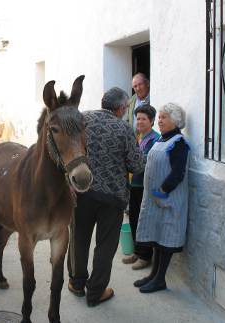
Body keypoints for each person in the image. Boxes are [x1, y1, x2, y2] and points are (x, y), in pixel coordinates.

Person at [67, 87, 145, 307]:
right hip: (112, 198)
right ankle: (96, 292)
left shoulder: (81, 120)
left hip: (82, 193)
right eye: (126, 108)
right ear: (121, 108)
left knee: (79, 239)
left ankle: (77, 282)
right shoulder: (124, 128)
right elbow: (136, 165)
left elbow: (64, 151)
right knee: (105, 246)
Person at [135, 103, 190, 293]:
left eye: (163, 117)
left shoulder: (179, 143)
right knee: (157, 237)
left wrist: (163, 190)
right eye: (159, 117)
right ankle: (153, 275)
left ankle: (160, 279)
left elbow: (178, 172)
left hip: (168, 200)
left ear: (175, 121)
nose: (159, 120)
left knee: (166, 239)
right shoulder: (162, 140)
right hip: (156, 201)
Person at [122, 105, 160, 270]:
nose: (140, 121)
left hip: (145, 186)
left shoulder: (155, 139)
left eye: (144, 118)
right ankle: (137, 252)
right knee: (133, 218)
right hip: (134, 185)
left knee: (143, 220)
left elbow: (147, 163)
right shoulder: (139, 136)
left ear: (151, 121)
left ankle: (145, 256)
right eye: (138, 118)